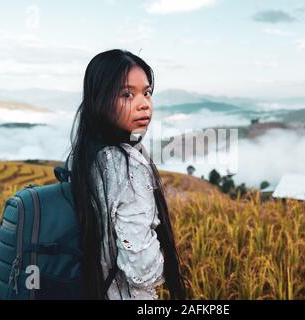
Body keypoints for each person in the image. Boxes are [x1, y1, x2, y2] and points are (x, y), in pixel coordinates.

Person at [65, 49, 188, 300]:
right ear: (100, 100)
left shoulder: (84, 157)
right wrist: (161, 262)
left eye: (147, 92)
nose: (144, 103)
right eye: (127, 94)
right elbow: (143, 270)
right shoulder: (127, 163)